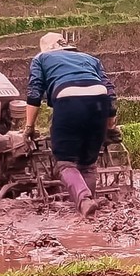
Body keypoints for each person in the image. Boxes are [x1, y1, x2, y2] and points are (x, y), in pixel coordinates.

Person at [24, 32, 121, 218]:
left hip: (68, 100)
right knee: (88, 164)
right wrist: (110, 125)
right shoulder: (90, 59)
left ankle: (84, 200)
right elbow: (109, 91)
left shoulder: (41, 58)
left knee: (66, 162)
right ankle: (89, 209)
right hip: (99, 100)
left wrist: (29, 127)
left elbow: (34, 93)